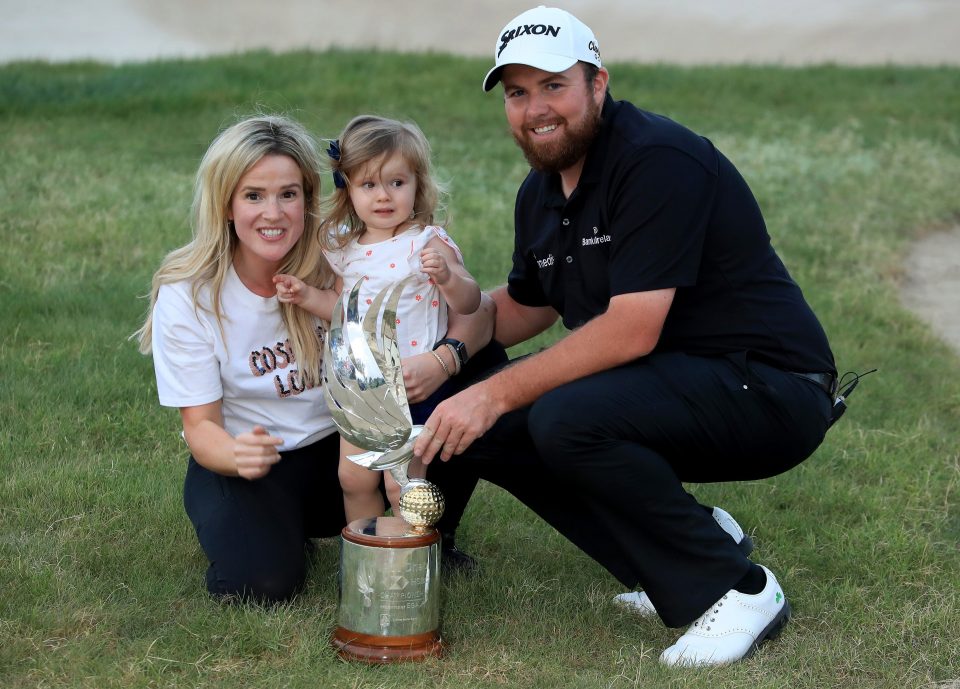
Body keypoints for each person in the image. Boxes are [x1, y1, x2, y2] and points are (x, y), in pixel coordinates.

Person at [413, 6, 837, 667]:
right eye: (519, 93)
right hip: (678, 384)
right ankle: (672, 555)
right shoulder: (541, 193)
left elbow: (633, 330)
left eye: (554, 86)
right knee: (498, 423)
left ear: (598, 83)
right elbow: (525, 307)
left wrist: (492, 393)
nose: (535, 109)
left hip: (771, 386)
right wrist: (441, 350)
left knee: (558, 415)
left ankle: (735, 587)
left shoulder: (656, 160)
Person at [136, 115, 493, 603]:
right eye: (253, 195)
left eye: (288, 193)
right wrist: (237, 455)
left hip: (346, 440)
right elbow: (201, 430)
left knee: (481, 368)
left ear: (309, 197)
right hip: (257, 462)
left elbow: (480, 313)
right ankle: (276, 531)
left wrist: (444, 360)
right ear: (225, 203)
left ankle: (421, 536)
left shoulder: (341, 253)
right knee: (261, 586)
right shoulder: (191, 297)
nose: (274, 213)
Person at [273, 114, 483, 524]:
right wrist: (306, 296)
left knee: (400, 482)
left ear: (417, 185)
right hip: (360, 385)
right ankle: (363, 552)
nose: (383, 196)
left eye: (396, 183)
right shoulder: (346, 249)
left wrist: (447, 276)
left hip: (408, 387)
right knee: (352, 477)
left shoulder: (426, 241)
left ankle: (405, 560)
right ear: (348, 190)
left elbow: (471, 300)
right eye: (369, 185)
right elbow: (341, 306)